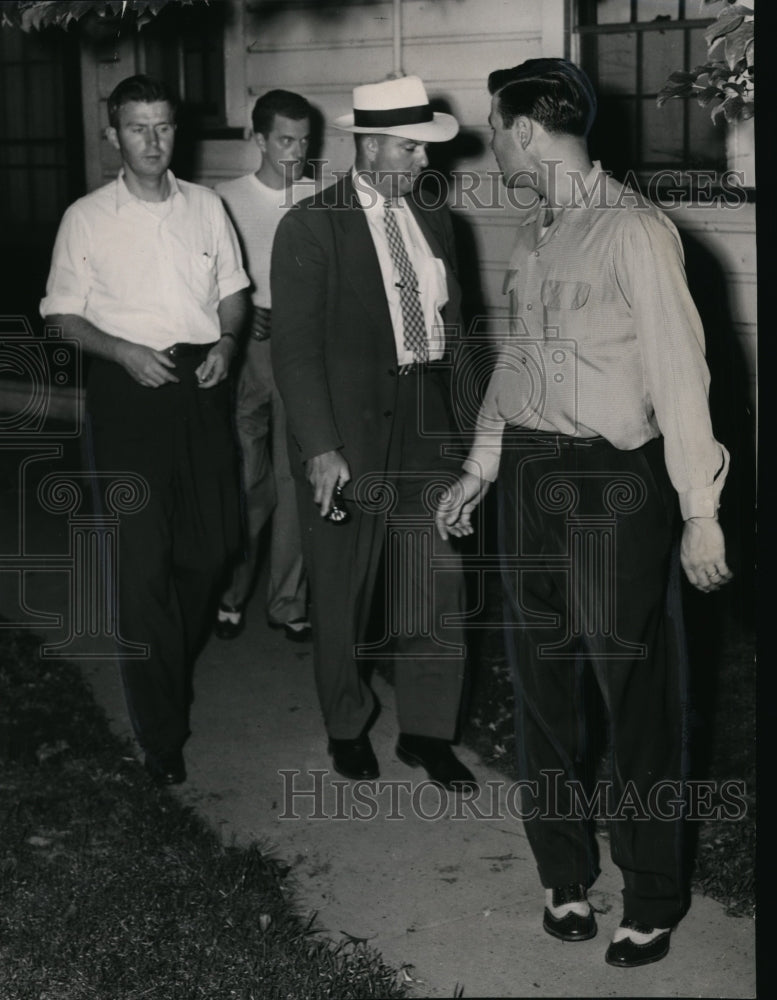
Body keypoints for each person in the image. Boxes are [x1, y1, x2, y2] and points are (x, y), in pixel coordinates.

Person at [435, 59, 732, 967]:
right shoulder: (538, 233)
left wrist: (699, 508)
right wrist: (482, 465)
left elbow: (682, 374)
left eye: (494, 129)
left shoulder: (635, 232)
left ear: (524, 130)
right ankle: (562, 875)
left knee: (636, 697)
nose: (495, 147)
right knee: (543, 694)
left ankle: (650, 893)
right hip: (528, 480)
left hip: (615, 486)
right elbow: (514, 364)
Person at [40, 75, 250, 786]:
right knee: (141, 566)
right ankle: (160, 735)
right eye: (137, 128)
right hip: (127, 392)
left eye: (162, 127)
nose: (153, 141)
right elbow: (61, 315)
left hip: (199, 386)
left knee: (213, 546)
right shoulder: (87, 218)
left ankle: (165, 654)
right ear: (113, 135)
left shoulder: (207, 207)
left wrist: (226, 343)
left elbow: (232, 290)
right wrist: (124, 351)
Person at [271, 75, 476, 790]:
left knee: (436, 580)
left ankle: (426, 731)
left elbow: (457, 328)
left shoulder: (437, 219)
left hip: (427, 422)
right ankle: (345, 725)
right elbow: (293, 351)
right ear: (369, 145)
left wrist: (472, 434)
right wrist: (321, 447)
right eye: (411, 148)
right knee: (342, 586)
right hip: (348, 430)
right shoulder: (309, 225)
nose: (425, 162)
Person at [213, 90, 315, 643]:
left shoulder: (320, 198)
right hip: (248, 352)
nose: (295, 152)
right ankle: (230, 591)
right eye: (284, 139)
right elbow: (203, 280)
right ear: (258, 139)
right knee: (249, 481)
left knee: (294, 479)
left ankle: (288, 600)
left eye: (303, 141)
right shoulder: (223, 200)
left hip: (301, 353)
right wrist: (237, 314)